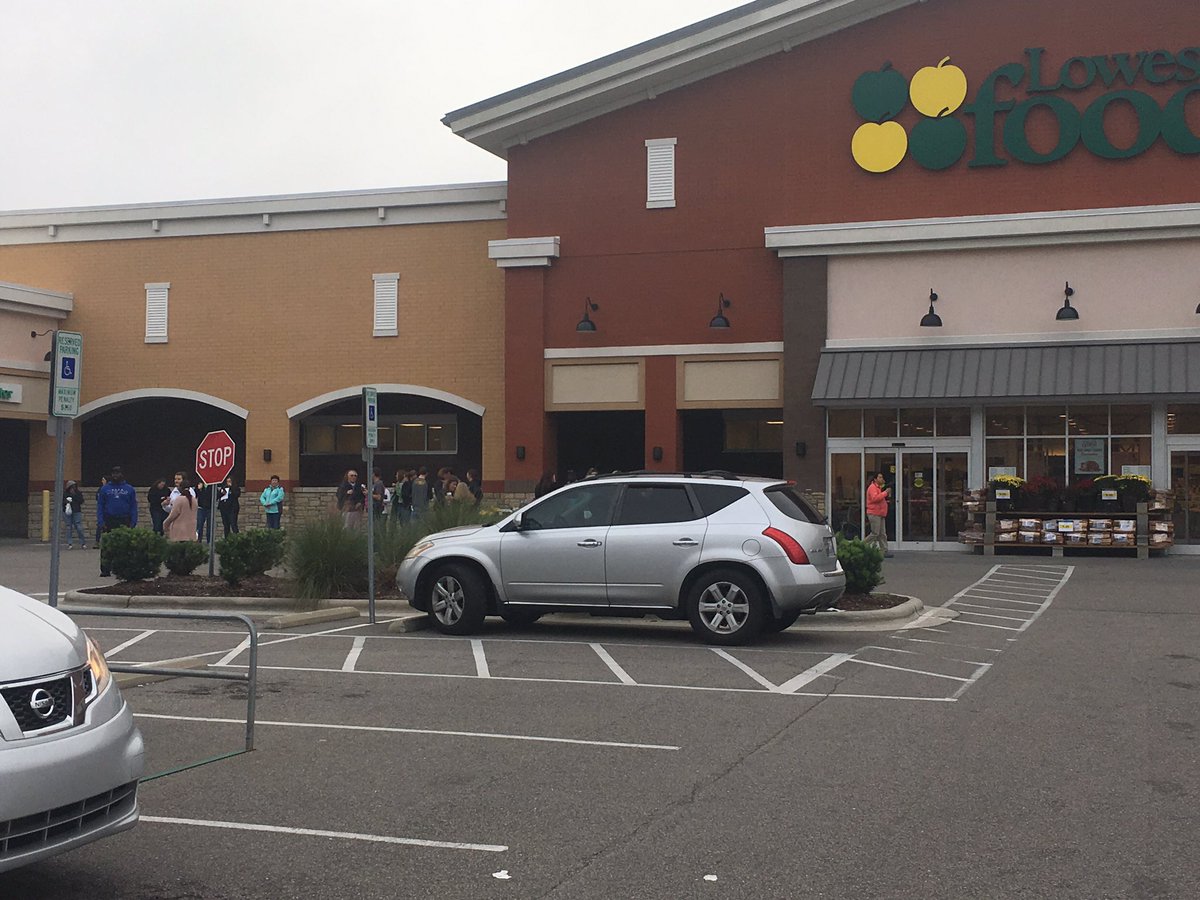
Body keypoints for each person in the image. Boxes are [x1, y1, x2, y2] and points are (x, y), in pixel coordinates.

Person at [97, 467, 138, 577]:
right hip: (109, 519)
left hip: (124, 519)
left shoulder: (129, 489)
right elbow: (100, 506)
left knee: (124, 546)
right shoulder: (105, 489)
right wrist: (101, 521)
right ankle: (105, 569)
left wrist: (133, 521)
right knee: (106, 546)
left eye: (118, 473)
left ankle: (122, 568)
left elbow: (133, 506)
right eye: (114, 473)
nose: (116, 475)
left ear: (122, 474)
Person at [865, 472, 893, 558]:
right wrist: (885, 493)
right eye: (880, 477)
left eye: (882, 477)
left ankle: (884, 550)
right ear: (875, 479)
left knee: (882, 533)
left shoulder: (878, 488)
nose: (881, 479)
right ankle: (862, 545)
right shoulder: (872, 488)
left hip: (880, 513)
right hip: (874, 513)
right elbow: (875, 499)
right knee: (875, 533)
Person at [62, 480, 86, 549]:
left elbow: (81, 501)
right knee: (69, 527)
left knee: (79, 527)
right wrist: (66, 502)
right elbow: (62, 502)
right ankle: (70, 543)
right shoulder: (65, 493)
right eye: (72, 487)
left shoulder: (78, 493)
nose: (73, 488)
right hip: (67, 512)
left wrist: (74, 496)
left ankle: (82, 542)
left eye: (74, 487)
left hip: (76, 511)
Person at [195, 477, 214, 543]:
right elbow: (195, 495)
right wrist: (198, 489)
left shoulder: (212, 485)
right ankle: (198, 540)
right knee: (199, 525)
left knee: (210, 526)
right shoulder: (200, 484)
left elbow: (216, 495)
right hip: (201, 508)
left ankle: (209, 541)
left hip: (209, 508)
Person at [94, 476, 107, 548]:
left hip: (108, 511)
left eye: (103, 480)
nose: (102, 481)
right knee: (99, 526)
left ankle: (106, 542)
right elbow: (97, 497)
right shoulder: (100, 489)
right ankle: (97, 541)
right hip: (102, 511)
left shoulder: (109, 489)